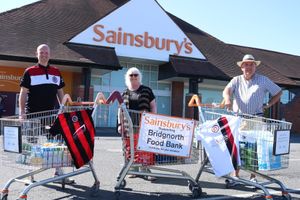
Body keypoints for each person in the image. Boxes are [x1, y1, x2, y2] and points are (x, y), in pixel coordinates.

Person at [19, 44, 74, 184]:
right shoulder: (29, 71)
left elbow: (60, 93)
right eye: (41, 52)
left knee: (56, 144)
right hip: (33, 114)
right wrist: (21, 112)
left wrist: (63, 110)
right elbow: (23, 93)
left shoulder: (56, 71)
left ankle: (58, 174)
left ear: (50, 54)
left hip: (51, 115)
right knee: (32, 145)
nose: (44, 54)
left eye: (46, 52)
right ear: (36, 54)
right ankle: (30, 174)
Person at [223, 54, 282, 183]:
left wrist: (269, 104)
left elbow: (278, 92)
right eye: (246, 64)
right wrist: (227, 99)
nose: (248, 67)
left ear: (255, 66)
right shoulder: (236, 80)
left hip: (256, 119)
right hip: (239, 119)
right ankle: (235, 175)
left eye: (251, 64)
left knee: (254, 149)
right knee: (237, 147)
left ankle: (253, 177)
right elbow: (227, 90)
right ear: (241, 67)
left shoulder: (263, 80)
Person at [119, 67, 157, 181]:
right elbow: (120, 110)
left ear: (139, 76)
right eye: (131, 75)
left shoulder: (147, 90)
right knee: (131, 148)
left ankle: (146, 170)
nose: (133, 77)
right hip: (128, 125)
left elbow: (153, 106)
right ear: (127, 77)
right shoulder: (124, 93)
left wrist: (153, 120)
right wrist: (119, 124)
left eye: (135, 75)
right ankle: (134, 169)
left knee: (145, 148)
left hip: (143, 124)